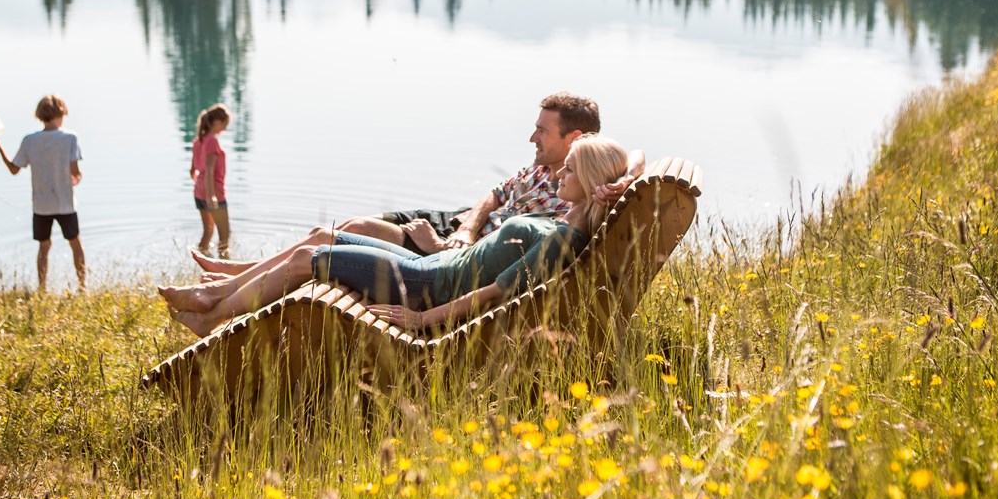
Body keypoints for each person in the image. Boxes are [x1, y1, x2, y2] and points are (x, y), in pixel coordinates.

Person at [159, 135, 629, 337]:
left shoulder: (562, 242)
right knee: (314, 244)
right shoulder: (567, 223)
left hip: (426, 284)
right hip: (431, 267)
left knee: (307, 259)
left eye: (569, 170)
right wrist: (621, 182)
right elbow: (631, 159)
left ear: (586, 179)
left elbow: (495, 290)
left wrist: (422, 321)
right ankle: (218, 295)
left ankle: (212, 317)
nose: (559, 175)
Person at [191, 93, 642, 279]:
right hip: (461, 224)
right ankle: (247, 272)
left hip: (451, 252)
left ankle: (244, 275)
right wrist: (468, 224)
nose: (532, 138)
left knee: (345, 231)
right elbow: (495, 195)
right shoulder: (546, 169)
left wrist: (446, 246)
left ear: (576, 139)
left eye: (542, 131)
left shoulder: (572, 192)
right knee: (345, 225)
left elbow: (496, 264)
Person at [0, 94, 85, 292]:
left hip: (41, 205)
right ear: (61, 113)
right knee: (75, 243)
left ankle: (42, 290)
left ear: (40, 115)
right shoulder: (70, 138)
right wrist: (77, 177)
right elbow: (75, 172)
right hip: (65, 203)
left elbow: (14, 169)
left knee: (44, 247)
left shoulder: (30, 141)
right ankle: (82, 287)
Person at [191, 103, 233, 257]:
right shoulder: (212, 142)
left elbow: (193, 169)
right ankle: (225, 267)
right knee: (224, 234)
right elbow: (209, 169)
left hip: (199, 191)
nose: (225, 128)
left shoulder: (198, 140)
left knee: (208, 231)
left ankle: (200, 258)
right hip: (213, 192)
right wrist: (211, 196)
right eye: (225, 124)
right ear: (217, 122)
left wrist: (203, 191)